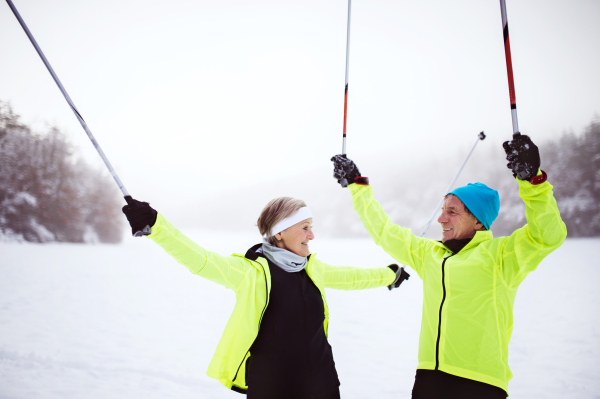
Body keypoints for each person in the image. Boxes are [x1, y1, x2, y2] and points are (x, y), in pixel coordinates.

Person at [330, 133, 567, 398]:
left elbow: (548, 235)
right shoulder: (429, 254)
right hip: (429, 378)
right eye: (443, 209)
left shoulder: (501, 256)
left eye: (452, 211)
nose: (441, 219)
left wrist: (532, 181)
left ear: (479, 222)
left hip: (480, 382)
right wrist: (356, 183)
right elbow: (384, 230)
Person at [122, 195, 410, 399]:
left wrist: (390, 274)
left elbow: (353, 277)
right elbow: (201, 260)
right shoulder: (253, 273)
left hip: (323, 386)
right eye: (305, 227)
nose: (312, 235)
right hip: (273, 389)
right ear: (280, 232)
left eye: (311, 227)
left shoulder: (313, 269)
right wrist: (157, 227)